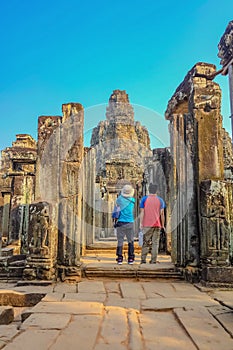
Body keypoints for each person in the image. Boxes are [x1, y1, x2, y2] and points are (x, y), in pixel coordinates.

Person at [139, 183, 166, 264]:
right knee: (155, 243)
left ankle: (143, 259)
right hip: (157, 224)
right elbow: (162, 214)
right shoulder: (160, 200)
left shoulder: (144, 199)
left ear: (149, 190)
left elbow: (142, 212)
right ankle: (153, 260)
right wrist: (163, 225)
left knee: (146, 242)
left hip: (147, 224)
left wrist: (141, 223)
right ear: (156, 191)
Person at [115, 184, 135, 265]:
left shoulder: (119, 199)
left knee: (120, 241)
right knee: (130, 241)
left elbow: (116, 208)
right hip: (130, 222)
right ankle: (131, 258)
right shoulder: (132, 200)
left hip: (121, 221)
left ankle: (120, 258)